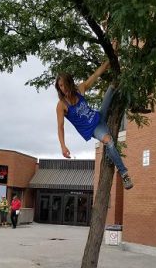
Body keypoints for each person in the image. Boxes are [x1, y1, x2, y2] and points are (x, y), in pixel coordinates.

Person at [56, 61, 134, 189]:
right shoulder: (61, 105)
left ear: (70, 83)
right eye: (60, 86)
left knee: (113, 86)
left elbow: (96, 74)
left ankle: (127, 74)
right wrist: (63, 146)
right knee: (109, 142)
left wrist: (110, 59)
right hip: (94, 128)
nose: (63, 89)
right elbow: (60, 127)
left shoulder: (80, 89)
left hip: (99, 116)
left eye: (64, 85)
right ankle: (124, 174)